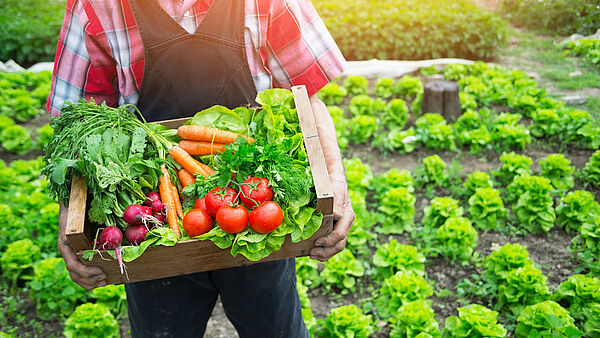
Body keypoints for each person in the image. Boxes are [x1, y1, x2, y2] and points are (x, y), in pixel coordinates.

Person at [48, 0, 354, 336]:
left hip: (255, 211)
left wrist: (336, 184)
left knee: (275, 327)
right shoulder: (95, 6)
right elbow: (77, 126)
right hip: (158, 226)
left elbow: (306, 93)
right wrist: (70, 217)